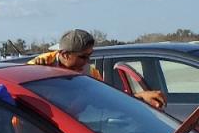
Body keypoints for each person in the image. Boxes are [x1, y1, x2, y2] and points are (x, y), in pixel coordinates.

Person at [29, 29, 167, 110]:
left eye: (90, 56)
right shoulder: (39, 65)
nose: (87, 61)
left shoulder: (90, 72)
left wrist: (141, 97)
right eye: (83, 57)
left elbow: (106, 100)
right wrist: (38, 73)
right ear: (65, 54)